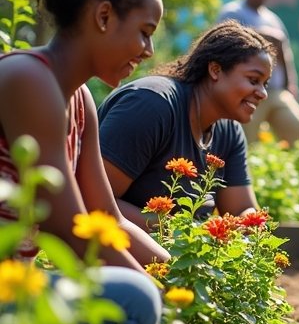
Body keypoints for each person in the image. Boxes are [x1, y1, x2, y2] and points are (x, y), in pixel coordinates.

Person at [0, 0, 167, 324]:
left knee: (142, 295)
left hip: (18, 290)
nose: (148, 51)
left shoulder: (80, 102)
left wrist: (181, 275)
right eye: (145, 32)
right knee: (134, 302)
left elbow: (107, 220)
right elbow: (68, 227)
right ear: (104, 16)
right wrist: (158, 297)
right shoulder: (27, 78)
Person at [98, 20, 274, 228]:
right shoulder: (151, 107)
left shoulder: (230, 132)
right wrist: (182, 235)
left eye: (265, 84)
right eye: (253, 80)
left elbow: (240, 208)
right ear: (215, 70)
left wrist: (250, 223)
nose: (263, 93)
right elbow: (94, 202)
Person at [216, 0, 299, 144]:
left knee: (296, 128)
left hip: (275, 89)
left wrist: (291, 84)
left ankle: (294, 165)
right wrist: (267, 35)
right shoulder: (233, 11)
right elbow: (226, 36)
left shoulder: (272, 19)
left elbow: (285, 54)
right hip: (246, 90)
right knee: (245, 139)